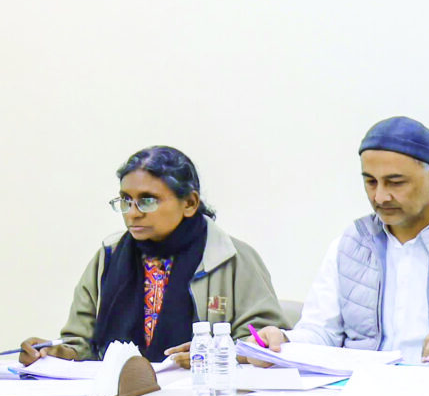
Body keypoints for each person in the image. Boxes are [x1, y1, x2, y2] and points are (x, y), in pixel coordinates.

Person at [255, 117, 429, 363]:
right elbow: (321, 331)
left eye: (396, 182)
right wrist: (283, 341)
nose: (380, 197)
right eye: (371, 182)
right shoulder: (349, 246)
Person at [18, 146, 288, 365]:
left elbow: (265, 343)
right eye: (125, 200)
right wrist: (55, 354)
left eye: (147, 200)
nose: (132, 213)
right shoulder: (108, 258)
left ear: (190, 203)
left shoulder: (232, 258)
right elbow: (81, 343)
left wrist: (214, 354)